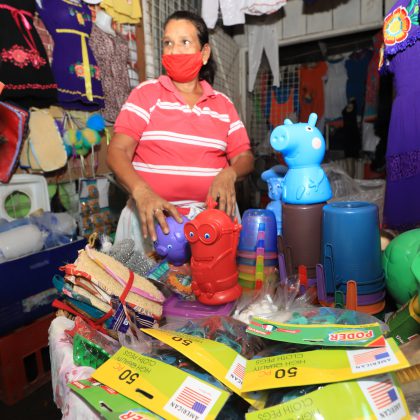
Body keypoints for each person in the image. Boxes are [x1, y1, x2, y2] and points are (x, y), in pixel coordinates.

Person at [106, 10, 254, 249]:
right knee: (145, 276)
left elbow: (245, 158)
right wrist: (141, 191)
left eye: (184, 42)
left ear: (204, 53)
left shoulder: (223, 104)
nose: (174, 51)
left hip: (211, 225)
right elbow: (117, 151)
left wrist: (230, 173)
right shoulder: (146, 94)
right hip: (151, 223)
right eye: (168, 43)